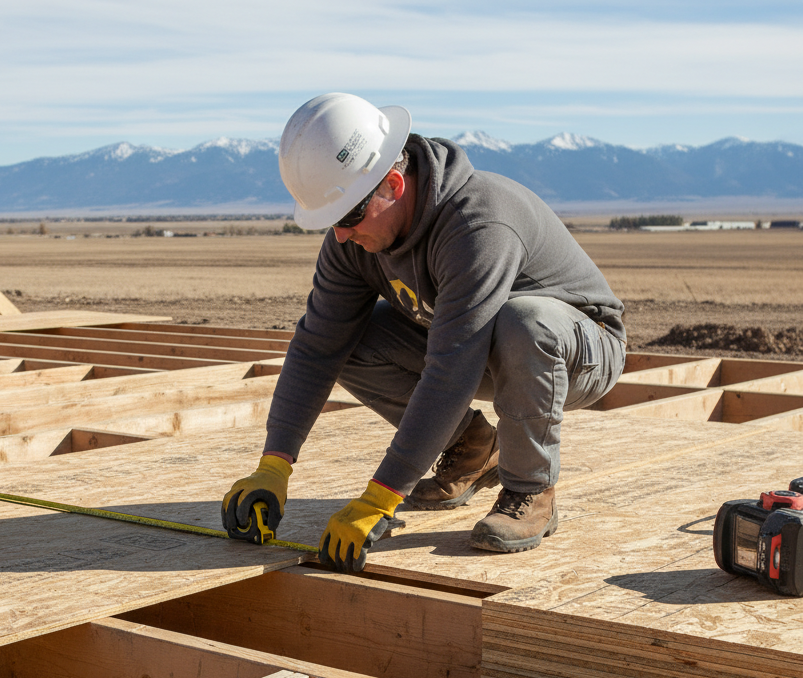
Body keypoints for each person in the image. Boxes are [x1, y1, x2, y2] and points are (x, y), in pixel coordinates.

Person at [223, 92, 626, 571]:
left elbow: (451, 370)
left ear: (393, 185)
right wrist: (275, 464)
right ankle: (471, 448)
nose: (341, 236)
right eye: (330, 222)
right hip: (483, 348)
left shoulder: (478, 224)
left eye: (348, 217)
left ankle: (530, 488)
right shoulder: (352, 240)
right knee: (352, 339)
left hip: (580, 348)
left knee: (525, 322)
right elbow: (316, 348)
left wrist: (381, 497)